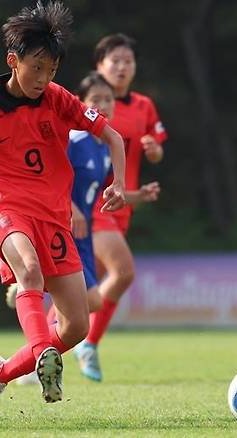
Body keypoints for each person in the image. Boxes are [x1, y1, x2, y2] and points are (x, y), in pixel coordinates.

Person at [0, 1, 126, 420]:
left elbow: (113, 137)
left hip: (54, 218)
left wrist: (119, 184)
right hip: (6, 208)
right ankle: (45, 354)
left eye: (51, 70)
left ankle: (1, 372)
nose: (44, 78)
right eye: (37, 68)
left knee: (77, 326)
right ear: (12, 61)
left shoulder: (58, 98)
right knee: (28, 272)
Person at [8, 72, 160, 385]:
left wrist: (136, 196)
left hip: (85, 233)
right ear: (82, 105)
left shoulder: (104, 148)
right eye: (96, 101)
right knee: (88, 305)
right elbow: (50, 175)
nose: (104, 105)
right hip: (63, 228)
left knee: (88, 305)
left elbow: (102, 191)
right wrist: (72, 208)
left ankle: (34, 354)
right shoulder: (74, 139)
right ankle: (38, 344)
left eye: (108, 100)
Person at [72, 33, 168, 382]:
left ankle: (41, 348)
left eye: (128, 61)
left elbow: (156, 149)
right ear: (100, 65)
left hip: (121, 204)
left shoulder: (143, 105)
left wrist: (153, 152)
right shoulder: (86, 105)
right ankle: (88, 344)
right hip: (92, 205)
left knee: (84, 292)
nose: (123, 67)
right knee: (124, 272)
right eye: (115, 60)